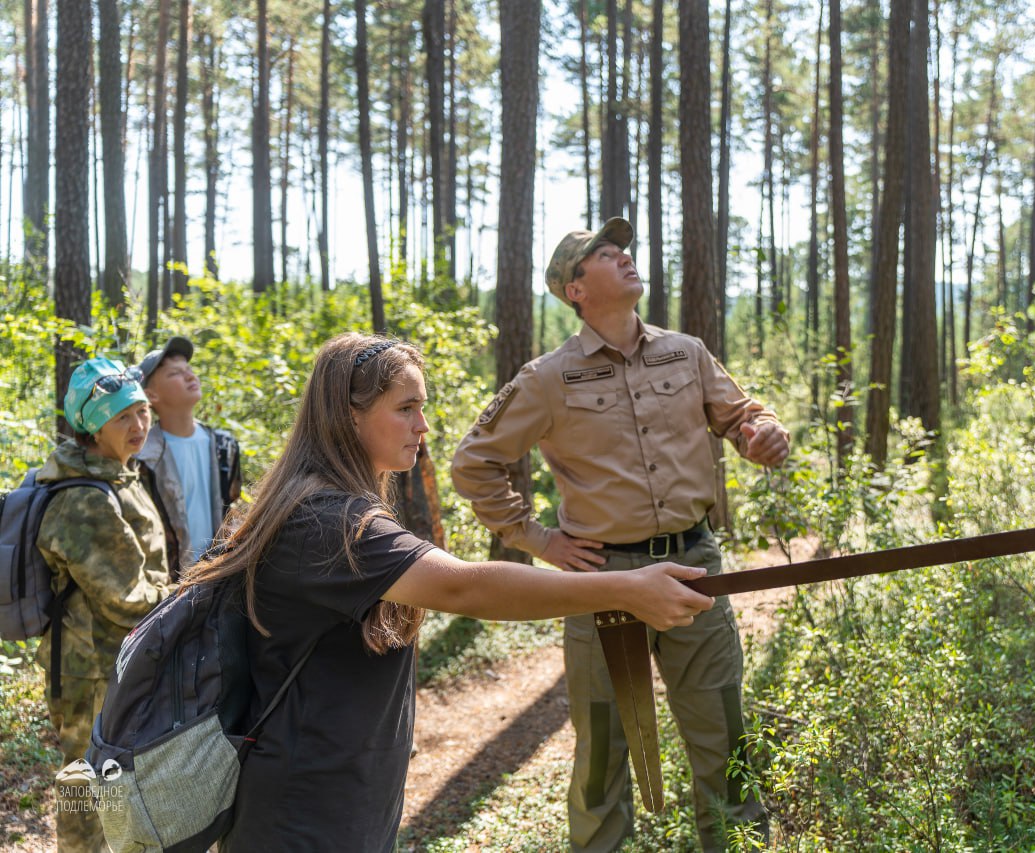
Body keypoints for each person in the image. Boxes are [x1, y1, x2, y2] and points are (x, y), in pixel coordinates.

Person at [178, 332, 712, 852]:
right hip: (305, 809)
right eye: (406, 408)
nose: (423, 426)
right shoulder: (328, 523)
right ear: (349, 416)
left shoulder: (332, 506)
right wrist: (623, 589)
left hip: (336, 796)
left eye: (422, 407)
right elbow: (463, 588)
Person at [450, 217, 791, 852]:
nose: (625, 257)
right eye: (606, 254)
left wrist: (762, 433)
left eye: (624, 249)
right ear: (574, 289)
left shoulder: (685, 352)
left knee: (723, 735)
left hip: (694, 566)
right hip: (602, 583)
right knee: (605, 748)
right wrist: (538, 539)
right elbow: (473, 463)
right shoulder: (547, 378)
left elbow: (743, 415)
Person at [36, 357, 171, 852]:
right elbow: (126, 598)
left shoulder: (118, 474)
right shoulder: (85, 498)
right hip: (88, 668)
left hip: (114, 660)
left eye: (141, 412)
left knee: (111, 780)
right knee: (85, 780)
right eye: (122, 417)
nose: (138, 426)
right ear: (94, 428)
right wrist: (191, 594)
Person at [133, 336, 241, 579]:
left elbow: (231, 509)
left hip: (218, 577)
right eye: (174, 374)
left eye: (189, 370)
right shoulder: (141, 457)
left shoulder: (224, 447)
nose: (190, 376)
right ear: (152, 396)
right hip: (167, 585)